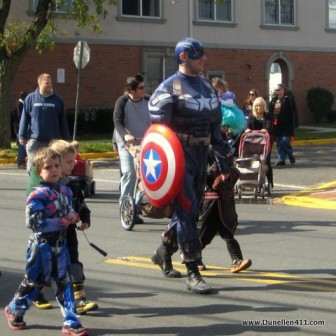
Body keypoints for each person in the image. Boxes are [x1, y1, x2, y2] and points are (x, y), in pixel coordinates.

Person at [148, 37, 231, 294]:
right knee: (185, 209)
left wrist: (226, 163)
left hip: (201, 155)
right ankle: (192, 270)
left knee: (192, 210)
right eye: (199, 56)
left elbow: (216, 130)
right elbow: (158, 132)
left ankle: (164, 250)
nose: (204, 59)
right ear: (184, 57)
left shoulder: (207, 87)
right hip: (178, 156)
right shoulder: (167, 89)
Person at [4, 147, 89, 336]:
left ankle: (71, 322)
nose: (54, 170)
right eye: (48, 167)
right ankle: (14, 309)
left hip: (61, 245)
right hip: (41, 246)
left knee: (64, 283)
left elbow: (68, 210)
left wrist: (73, 216)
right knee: (34, 282)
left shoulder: (65, 191)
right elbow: (33, 222)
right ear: (39, 172)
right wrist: (60, 222)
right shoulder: (37, 195)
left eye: (56, 165)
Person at [32, 140, 97, 315]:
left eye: (74, 160)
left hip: (69, 234)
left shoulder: (73, 185)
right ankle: (37, 293)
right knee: (46, 267)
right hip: (49, 236)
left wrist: (84, 218)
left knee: (73, 262)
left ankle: (79, 298)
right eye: (69, 161)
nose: (73, 164)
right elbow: (36, 217)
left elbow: (81, 206)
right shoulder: (42, 191)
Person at [198, 148, 252, 273]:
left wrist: (225, 171)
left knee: (227, 233)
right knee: (204, 235)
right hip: (211, 204)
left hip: (225, 204)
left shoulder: (228, 164)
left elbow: (233, 173)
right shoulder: (204, 155)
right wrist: (217, 171)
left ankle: (237, 260)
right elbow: (206, 176)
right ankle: (194, 259)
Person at [113, 74, 151, 224]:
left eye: (144, 87)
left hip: (144, 143)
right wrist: (126, 135)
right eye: (141, 88)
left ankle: (135, 208)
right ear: (132, 90)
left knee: (143, 177)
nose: (144, 90)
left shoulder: (148, 100)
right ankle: (125, 207)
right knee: (130, 173)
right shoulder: (122, 102)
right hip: (127, 144)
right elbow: (117, 122)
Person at [18, 73, 70, 174]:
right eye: (47, 83)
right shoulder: (30, 98)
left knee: (53, 168)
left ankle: (51, 188)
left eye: (51, 83)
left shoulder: (58, 99)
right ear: (39, 83)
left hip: (53, 142)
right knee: (34, 168)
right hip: (35, 141)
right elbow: (24, 118)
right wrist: (21, 135)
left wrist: (66, 137)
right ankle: (35, 187)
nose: (50, 85)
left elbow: (63, 120)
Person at [211, 77, 246, 156]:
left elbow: (230, 104)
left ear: (222, 88)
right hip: (221, 114)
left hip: (229, 112)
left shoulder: (227, 95)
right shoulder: (215, 96)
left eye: (217, 90)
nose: (216, 92)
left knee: (227, 120)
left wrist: (220, 101)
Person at [245, 96, 274, 188]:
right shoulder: (251, 115)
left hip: (265, 141)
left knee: (266, 161)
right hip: (253, 142)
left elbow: (270, 126)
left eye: (261, 106)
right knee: (251, 161)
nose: (259, 108)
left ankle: (269, 181)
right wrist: (247, 130)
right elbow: (248, 126)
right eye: (257, 106)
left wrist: (266, 129)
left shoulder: (268, 115)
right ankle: (252, 181)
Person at [269, 83, 299, 166]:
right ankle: (281, 159)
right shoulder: (273, 100)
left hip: (286, 125)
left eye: (278, 90)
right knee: (279, 142)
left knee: (285, 141)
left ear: (283, 90)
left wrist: (294, 123)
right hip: (276, 125)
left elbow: (293, 112)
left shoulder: (288, 99)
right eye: (276, 90)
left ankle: (290, 154)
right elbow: (270, 112)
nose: (277, 91)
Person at [14, 91, 28, 169]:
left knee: (23, 145)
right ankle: (21, 162)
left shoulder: (21, 104)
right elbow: (20, 117)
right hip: (19, 128)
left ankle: (22, 161)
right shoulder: (19, 105)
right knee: (22, 145)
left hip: (20, 128)